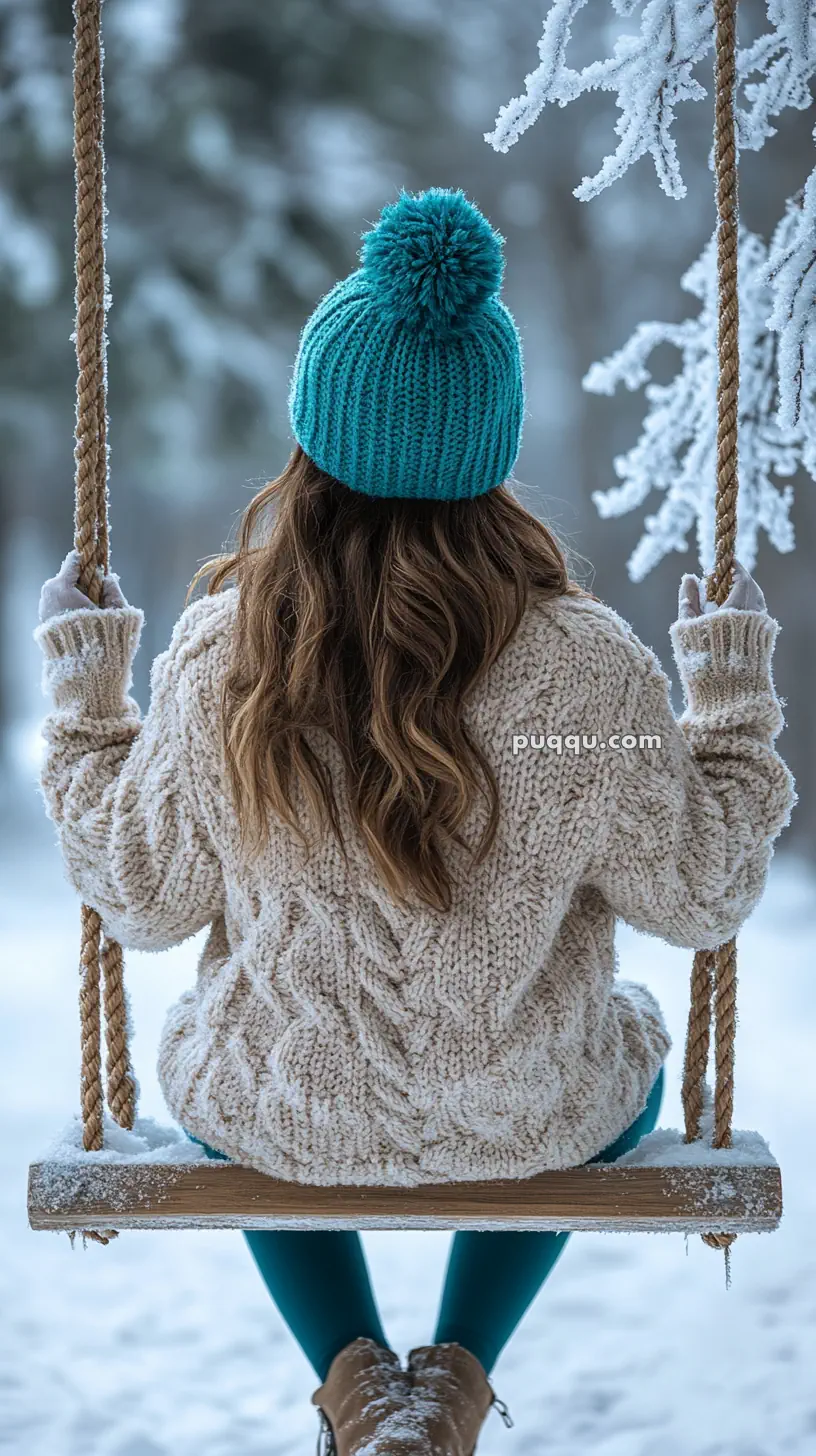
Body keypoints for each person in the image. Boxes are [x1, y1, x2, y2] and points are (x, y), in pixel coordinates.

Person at [34, 188, 795, 1456]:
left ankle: (351, 1382)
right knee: (612, 1053)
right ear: (494, 452)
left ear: (311, 444)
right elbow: (703, 890)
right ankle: (451, 1386)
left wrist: (84, 701)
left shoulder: (232, 664)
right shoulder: (579, 679)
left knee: (242, 1059)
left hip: (285, 1110)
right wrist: (730, 709)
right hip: (531, 1110)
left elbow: (142, 893)